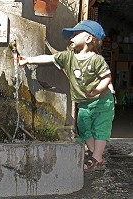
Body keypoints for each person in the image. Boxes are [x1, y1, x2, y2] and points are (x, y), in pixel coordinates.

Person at [19, 20, 114, 171]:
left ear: (88, 38)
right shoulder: (68, 57)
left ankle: (97, 157)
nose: (71, 38)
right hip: (84, 103)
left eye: (75, 34)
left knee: (100, 128)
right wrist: (29, 60)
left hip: (102, 101)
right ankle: (92, 152)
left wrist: (97, 90)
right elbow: (49, 58)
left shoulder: (97, 60)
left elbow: (106, 78)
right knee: (84, 128)